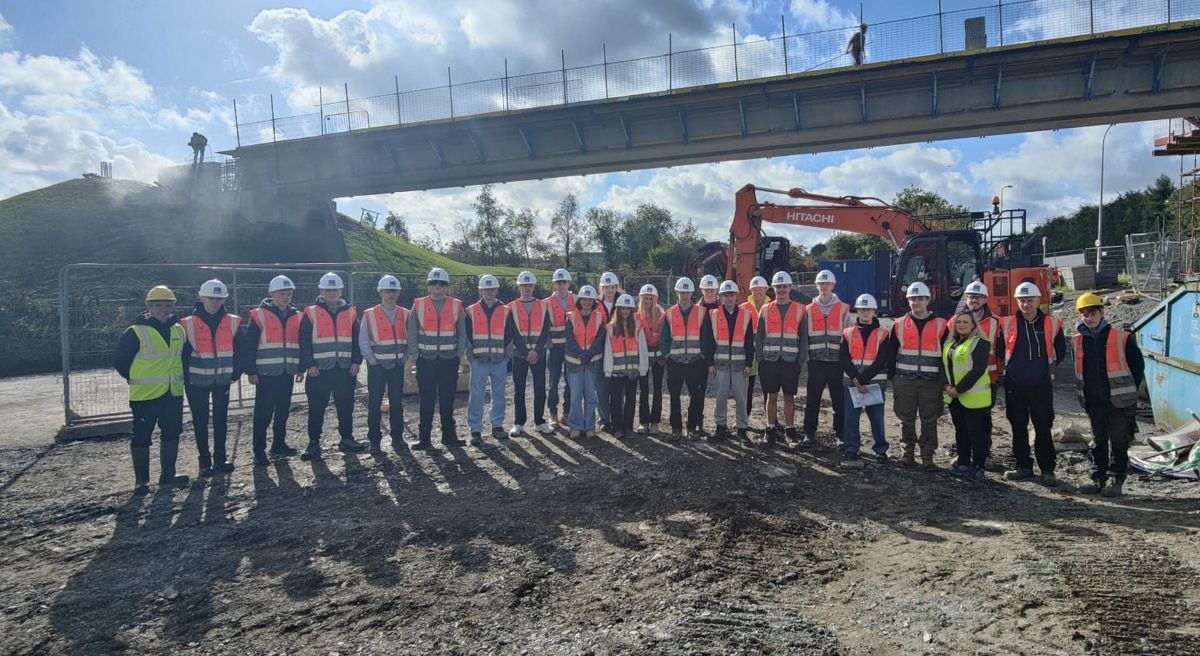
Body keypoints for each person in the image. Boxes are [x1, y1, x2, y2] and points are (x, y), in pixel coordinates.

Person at [113, 285, 189, 493]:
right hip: (145, 395)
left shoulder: (178, 330)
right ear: (148, 306)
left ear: (173, 307)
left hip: (172, 392)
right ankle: (142, 481)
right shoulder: (135, 332)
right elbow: (121, 362)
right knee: (142, 435)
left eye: (167, 306)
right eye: (158, 305)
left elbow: (182, 358)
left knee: (172, 432)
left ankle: (168, 474)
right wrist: (136, 378)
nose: (163, 310)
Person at [1073, 293, 1144, 497]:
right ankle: (1098, 478)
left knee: (1119, 440)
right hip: (1093, 399)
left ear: (1102, 313)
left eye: (1092, 313)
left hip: (1120, 401)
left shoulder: (1122, 337)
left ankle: (1116, 479)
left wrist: (1127, 391)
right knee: (1098, 440)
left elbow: (1137, 367)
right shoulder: (1077, 341)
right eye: (1085, 314)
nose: (1089, 318)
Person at [1001, 282, 1065, 487]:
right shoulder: (1008, 323)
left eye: (1030, 300)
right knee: (1018, 426)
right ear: (1016, 301)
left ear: (1038, 301)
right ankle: (1023, 466)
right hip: (1015, 385)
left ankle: (1047, 469)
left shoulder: (1052, 324)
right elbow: (1001, 349)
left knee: (1043, 427)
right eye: (1022, 300)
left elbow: (1060, 352)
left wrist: (1040, 370)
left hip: (1041, 385)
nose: (1026, 304)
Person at [179, 279, 243, 477]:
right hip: (196, 381)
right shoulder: (186, 323)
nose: (215, 302)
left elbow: (241, 350)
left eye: (219, 298)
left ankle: (220, 458)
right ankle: (204, 461)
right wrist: (186, 377)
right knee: (200, 420)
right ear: (201, 298)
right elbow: (181, 354)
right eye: (211, 298)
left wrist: (235, 373)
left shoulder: (233, 322)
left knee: (221, 420)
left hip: (222, 379)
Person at [298, 272, 366, 460]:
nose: (332, 292)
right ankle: (313, 443)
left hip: (344, 369)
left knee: (346, 406)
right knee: (316, 408)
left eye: (335, 289)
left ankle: (347, 438)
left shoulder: (351, 312)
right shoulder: (310, 312)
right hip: (319, 370)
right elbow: (303, 341)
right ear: (321, 291)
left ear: (341, 290)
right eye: (328, 289)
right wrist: (309, 364)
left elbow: (357, 339)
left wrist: (356, 361)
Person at [242, 275, 302, 465]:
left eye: (288, 293)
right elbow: (250, 345)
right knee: (263, 413)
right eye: (282, 293)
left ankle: (278, 444)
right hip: (266, 373)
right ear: (272, 294)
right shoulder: (259, 315)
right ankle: (259, 450)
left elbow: (300, 343)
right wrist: (251, 371)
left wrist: (300, 368)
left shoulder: (296, 315)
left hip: (287, 371)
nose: (285, 297)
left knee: (283, 410)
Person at [889, 281, 947, 471]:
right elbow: (891, 353)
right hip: (905, 379)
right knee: (905, 419)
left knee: (929, 420)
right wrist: (893, 377)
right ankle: (907, 453)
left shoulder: (942, 324)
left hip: (931, 381)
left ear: (928, 300)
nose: (917, 302)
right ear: (908, 301)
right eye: (913, 299)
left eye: (921, 298)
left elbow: (947, 355)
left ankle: (928, 456)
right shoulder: (898, 324)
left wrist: (943, 381)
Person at [407, 268, 467, 450]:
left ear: (446, 286)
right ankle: (424, 438)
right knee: (426, 399)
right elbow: (412, 333)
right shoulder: (419, 305)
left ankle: (449, 436)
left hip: (449, 360)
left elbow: (462, 333)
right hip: (426, 360)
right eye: (434, 283)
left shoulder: (456, 305)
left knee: (448, 399)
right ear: (429, 286)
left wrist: (458, 354)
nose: (438, 286)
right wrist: (416, 356)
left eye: (441, 283)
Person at [799, 269, 853, 448]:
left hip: (837, 363)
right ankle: (809, 433)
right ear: (816, 285)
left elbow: (849, 337)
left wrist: (847, 363)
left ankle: (840, 434)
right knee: (812, 400)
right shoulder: (808, 310)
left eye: (827, 283)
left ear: (833, 285)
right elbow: (804, 337)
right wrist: (806, 360)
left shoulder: (843, 309)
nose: (824, 287)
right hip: (816, 362)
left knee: (839, 401)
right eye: (821, 283)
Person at [839, 293, 891, 467]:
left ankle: (880, 450)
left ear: (875, 311)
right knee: (851, 419)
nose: (865, 312)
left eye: (869, 309)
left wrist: (861, 379)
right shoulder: (847, 333)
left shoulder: (883, 334)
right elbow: (844, 358)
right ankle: (851, 448)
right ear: (857, 311)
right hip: (852, 384)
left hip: (874, 384)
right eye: (862, 309)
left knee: (877, 419)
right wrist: (856, 379)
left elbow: (881, 360)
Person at [360, 275, 410, 453]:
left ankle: (398, 438)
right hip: (377, 367)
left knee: (396, 403)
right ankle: (374, 440)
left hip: (397, 365)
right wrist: (372, 360)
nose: (391, 294)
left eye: (394, 291)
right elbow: (363, 340)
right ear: (380, 292)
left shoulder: (405, 314)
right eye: (388, 291)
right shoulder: (370, 314)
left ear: (398, 293)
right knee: (375, 403)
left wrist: (405, 357)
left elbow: (411, 338)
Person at [756, 271, 806, 447]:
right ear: (773, 288)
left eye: (785, 286)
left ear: (790, 287)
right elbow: (759, 337)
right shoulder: (765, 309)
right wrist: (761, 359)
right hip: (770, 361)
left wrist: (800, 361)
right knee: (771, 396)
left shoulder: (800, 309)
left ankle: (790, 432)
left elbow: (804, 338)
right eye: (778, 286)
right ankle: (770, 430)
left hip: (790, 362)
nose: (782, 290)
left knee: (789, 398)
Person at [942, 310, 993, 482]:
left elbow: (977, 370)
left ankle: (979, 466)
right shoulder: (950, 344)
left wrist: (959, 389)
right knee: (961, 432)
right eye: (959, 322)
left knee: (977, 434)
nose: (962, 325)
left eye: (965, 322)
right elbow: (943, 367)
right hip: (954, 397)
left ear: (973, 325)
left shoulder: (980, 343)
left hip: (974, 398)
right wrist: (946, 386)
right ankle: (963, 462)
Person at [702, 280, 755, 442]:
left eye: (731, 294)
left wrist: (749, 364)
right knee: (720, 396)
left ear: (736, 296)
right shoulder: (713, 315)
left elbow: (749, 341)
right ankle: (720, 427)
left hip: (740, 365)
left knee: (741, 398)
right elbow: (709, 341)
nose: (729, 298)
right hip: (720, 365)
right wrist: (710, 363)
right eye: (725, 295)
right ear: (721, 297)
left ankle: (741, 429)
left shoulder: (746, 315)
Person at [961, 280, 1005, 469]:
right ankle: (963, 454)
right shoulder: (955, 321)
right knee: (962, 419)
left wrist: (1001, 374)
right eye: (971, 297)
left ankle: (984, 454)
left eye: (978, 297)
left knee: (983, 420)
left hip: (987, 379)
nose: (974, 300)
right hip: (961, 379)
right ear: (966, 298)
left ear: (985, 299)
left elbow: (1002, 350)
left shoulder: (996, 322)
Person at [661, 277, 708, 440]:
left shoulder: (701, 312)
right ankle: (676, 428)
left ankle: (692, 427)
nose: (685, 295)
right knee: (674, 396)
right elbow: (664, 338)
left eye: (687, 292)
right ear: (677, 293)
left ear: (692, 293)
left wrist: (702, 355)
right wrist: (667, 355)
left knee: (695, 396)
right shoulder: (669, 313)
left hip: (695, 362)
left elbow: (705, 337)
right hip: (675, 362)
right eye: (682, 292)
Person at [465, 275, 510, 446]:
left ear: (497, 290)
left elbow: (510, 335)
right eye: (486, 289)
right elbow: (467, 336)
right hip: (479, 360)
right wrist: (471, 357)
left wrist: (506, 357)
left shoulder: (506, 310)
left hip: (499, 360)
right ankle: (475, 429)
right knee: (476, 395)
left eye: (492, 289)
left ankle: (497, 425)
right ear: (481, 291)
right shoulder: (471, 311)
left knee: (499, 394)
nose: (489, 292)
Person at [508, 271, 552, 437]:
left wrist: (536, 351)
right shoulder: (511, 307)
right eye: (524, 285)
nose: (527, 288)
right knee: (519, 389)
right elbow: (512, 332)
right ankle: (519, 423)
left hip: (539, 354)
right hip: (519, 355)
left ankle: (539, 421)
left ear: (534, 287)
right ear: (518, 287)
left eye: (529, 285)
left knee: (540, 388)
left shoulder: (543, 306)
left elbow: (545, 330)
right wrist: (526, 352)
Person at [604, 294, 650, 439]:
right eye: (622, 308)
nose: (625, 311)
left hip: (632, 371)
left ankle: (628, 427)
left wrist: (643, 367)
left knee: (630, 400)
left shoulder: (637, 327)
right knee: (616, 400)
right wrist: (608, 370)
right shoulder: (611, 328)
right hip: (616, 372)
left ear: (631, 310)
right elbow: (608, 350)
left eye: (628, 309)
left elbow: (642, 348)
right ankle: (617, 427)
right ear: (618, 310)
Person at [565, 286, 607, 439]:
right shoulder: (571, 317)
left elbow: (600, 339)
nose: (587, 302)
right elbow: (569, 338)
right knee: (575, 397)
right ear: (579, 301)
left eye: (590, 300)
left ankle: (589, 426)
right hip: (574, 363)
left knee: (590, 396)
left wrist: (589, 354)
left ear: (594, 301)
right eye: (584, 299)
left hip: (592, 363)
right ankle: (575, 426)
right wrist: (580, 353)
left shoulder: (599, 317)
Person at [544, 269, 575, 428]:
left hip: (571, 348)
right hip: (555, 348)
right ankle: (553, 414)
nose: (561, 285)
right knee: (553, 382)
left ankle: (566, 413)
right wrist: (548, 343)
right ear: (554, 284)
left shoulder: (576, 300)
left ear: (569, 283)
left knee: (570, 381)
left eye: (564, 282)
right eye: (558, 282)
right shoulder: (546, 302)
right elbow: (543, 326)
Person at [635, 285, 666, 434]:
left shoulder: (661, 315)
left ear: (655, 299)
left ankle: (655, 422)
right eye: (645, 298)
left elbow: (663, 336)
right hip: (643, 356)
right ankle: (643, 421)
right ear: (641, 299)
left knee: (658, 389)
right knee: (644, 389)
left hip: (659, 358)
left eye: (651, 298)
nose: (648, 301)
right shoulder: (637, 316)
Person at [741, 276, 770, 417]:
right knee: (747, 388)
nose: (758, 292)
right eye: (755, 289)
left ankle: (770, 419)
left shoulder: (772, 307)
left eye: (760, 289)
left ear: (766, 289)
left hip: (767, 354)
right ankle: (744, 417)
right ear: (751, 291)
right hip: (750, 354)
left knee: (768, 388)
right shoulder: (743, 308)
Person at [596, 271, 621, 431]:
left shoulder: (623, 302)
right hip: (600, 350)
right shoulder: (595, 304)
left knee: (618, 387)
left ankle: (618, 417)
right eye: (606, 287)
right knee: (601, 387)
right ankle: (604, 419)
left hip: (618, 350)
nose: (609, 290)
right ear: (602, 288)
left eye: (612, 287)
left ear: (616, 287)